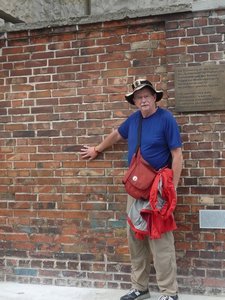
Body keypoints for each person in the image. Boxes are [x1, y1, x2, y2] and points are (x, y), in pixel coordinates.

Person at [81, 79, 183, 300]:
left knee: (161, 242)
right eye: (139, 97)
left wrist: (172, 190)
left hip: (158, 190)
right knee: (135, 239)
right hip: (135, 189)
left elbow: (177, 155)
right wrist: (97, 149)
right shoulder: (134, 119)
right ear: (135, 101)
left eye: (147, 95)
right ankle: (140, 288)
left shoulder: (166, 119)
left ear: (154, 97)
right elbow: (117, 134)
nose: (143, 100)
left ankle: (169, 292)